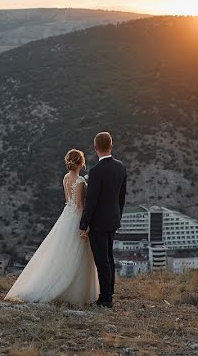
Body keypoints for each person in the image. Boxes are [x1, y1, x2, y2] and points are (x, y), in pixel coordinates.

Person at [4, 149, 99, 306]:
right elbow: (81, 206)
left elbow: (68, 200)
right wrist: (84, 225)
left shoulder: (66, 177)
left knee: (60, 251)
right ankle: (73, 290)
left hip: (66, 215)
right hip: (75, 217)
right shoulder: (81, 180)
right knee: (76, 252)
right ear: (81, 162)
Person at [78, 131, 127, 308]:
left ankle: (106, 299)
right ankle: (109, 292)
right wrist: (118, 216)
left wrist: (83, 224)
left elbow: (91, 202)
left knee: (101, 260)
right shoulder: (121, 167)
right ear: (111, 146)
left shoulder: (96, 171)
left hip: (98, 223)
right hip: (113, 220)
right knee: (109, 258)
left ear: (95, 147)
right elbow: (121, 196)